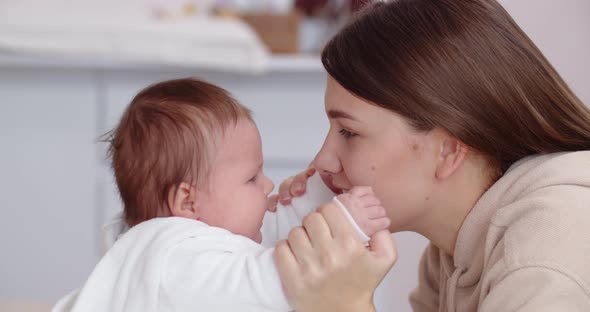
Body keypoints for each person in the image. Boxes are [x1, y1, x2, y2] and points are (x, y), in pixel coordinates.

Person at [271, 0, 590, 311]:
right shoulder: (453, 252)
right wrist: (273, 241)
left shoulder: (542, 257)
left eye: (349, 133)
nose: (323, 160)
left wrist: (344, 304)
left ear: (447, 151)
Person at [52, 78, 391, 312]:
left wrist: (318, 193)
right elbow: (275, 280)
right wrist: (344, 225)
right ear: (188, 202)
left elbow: (272, 235)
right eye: (251, 178)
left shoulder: (203, 242)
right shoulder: (179, 255)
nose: (268, 185)